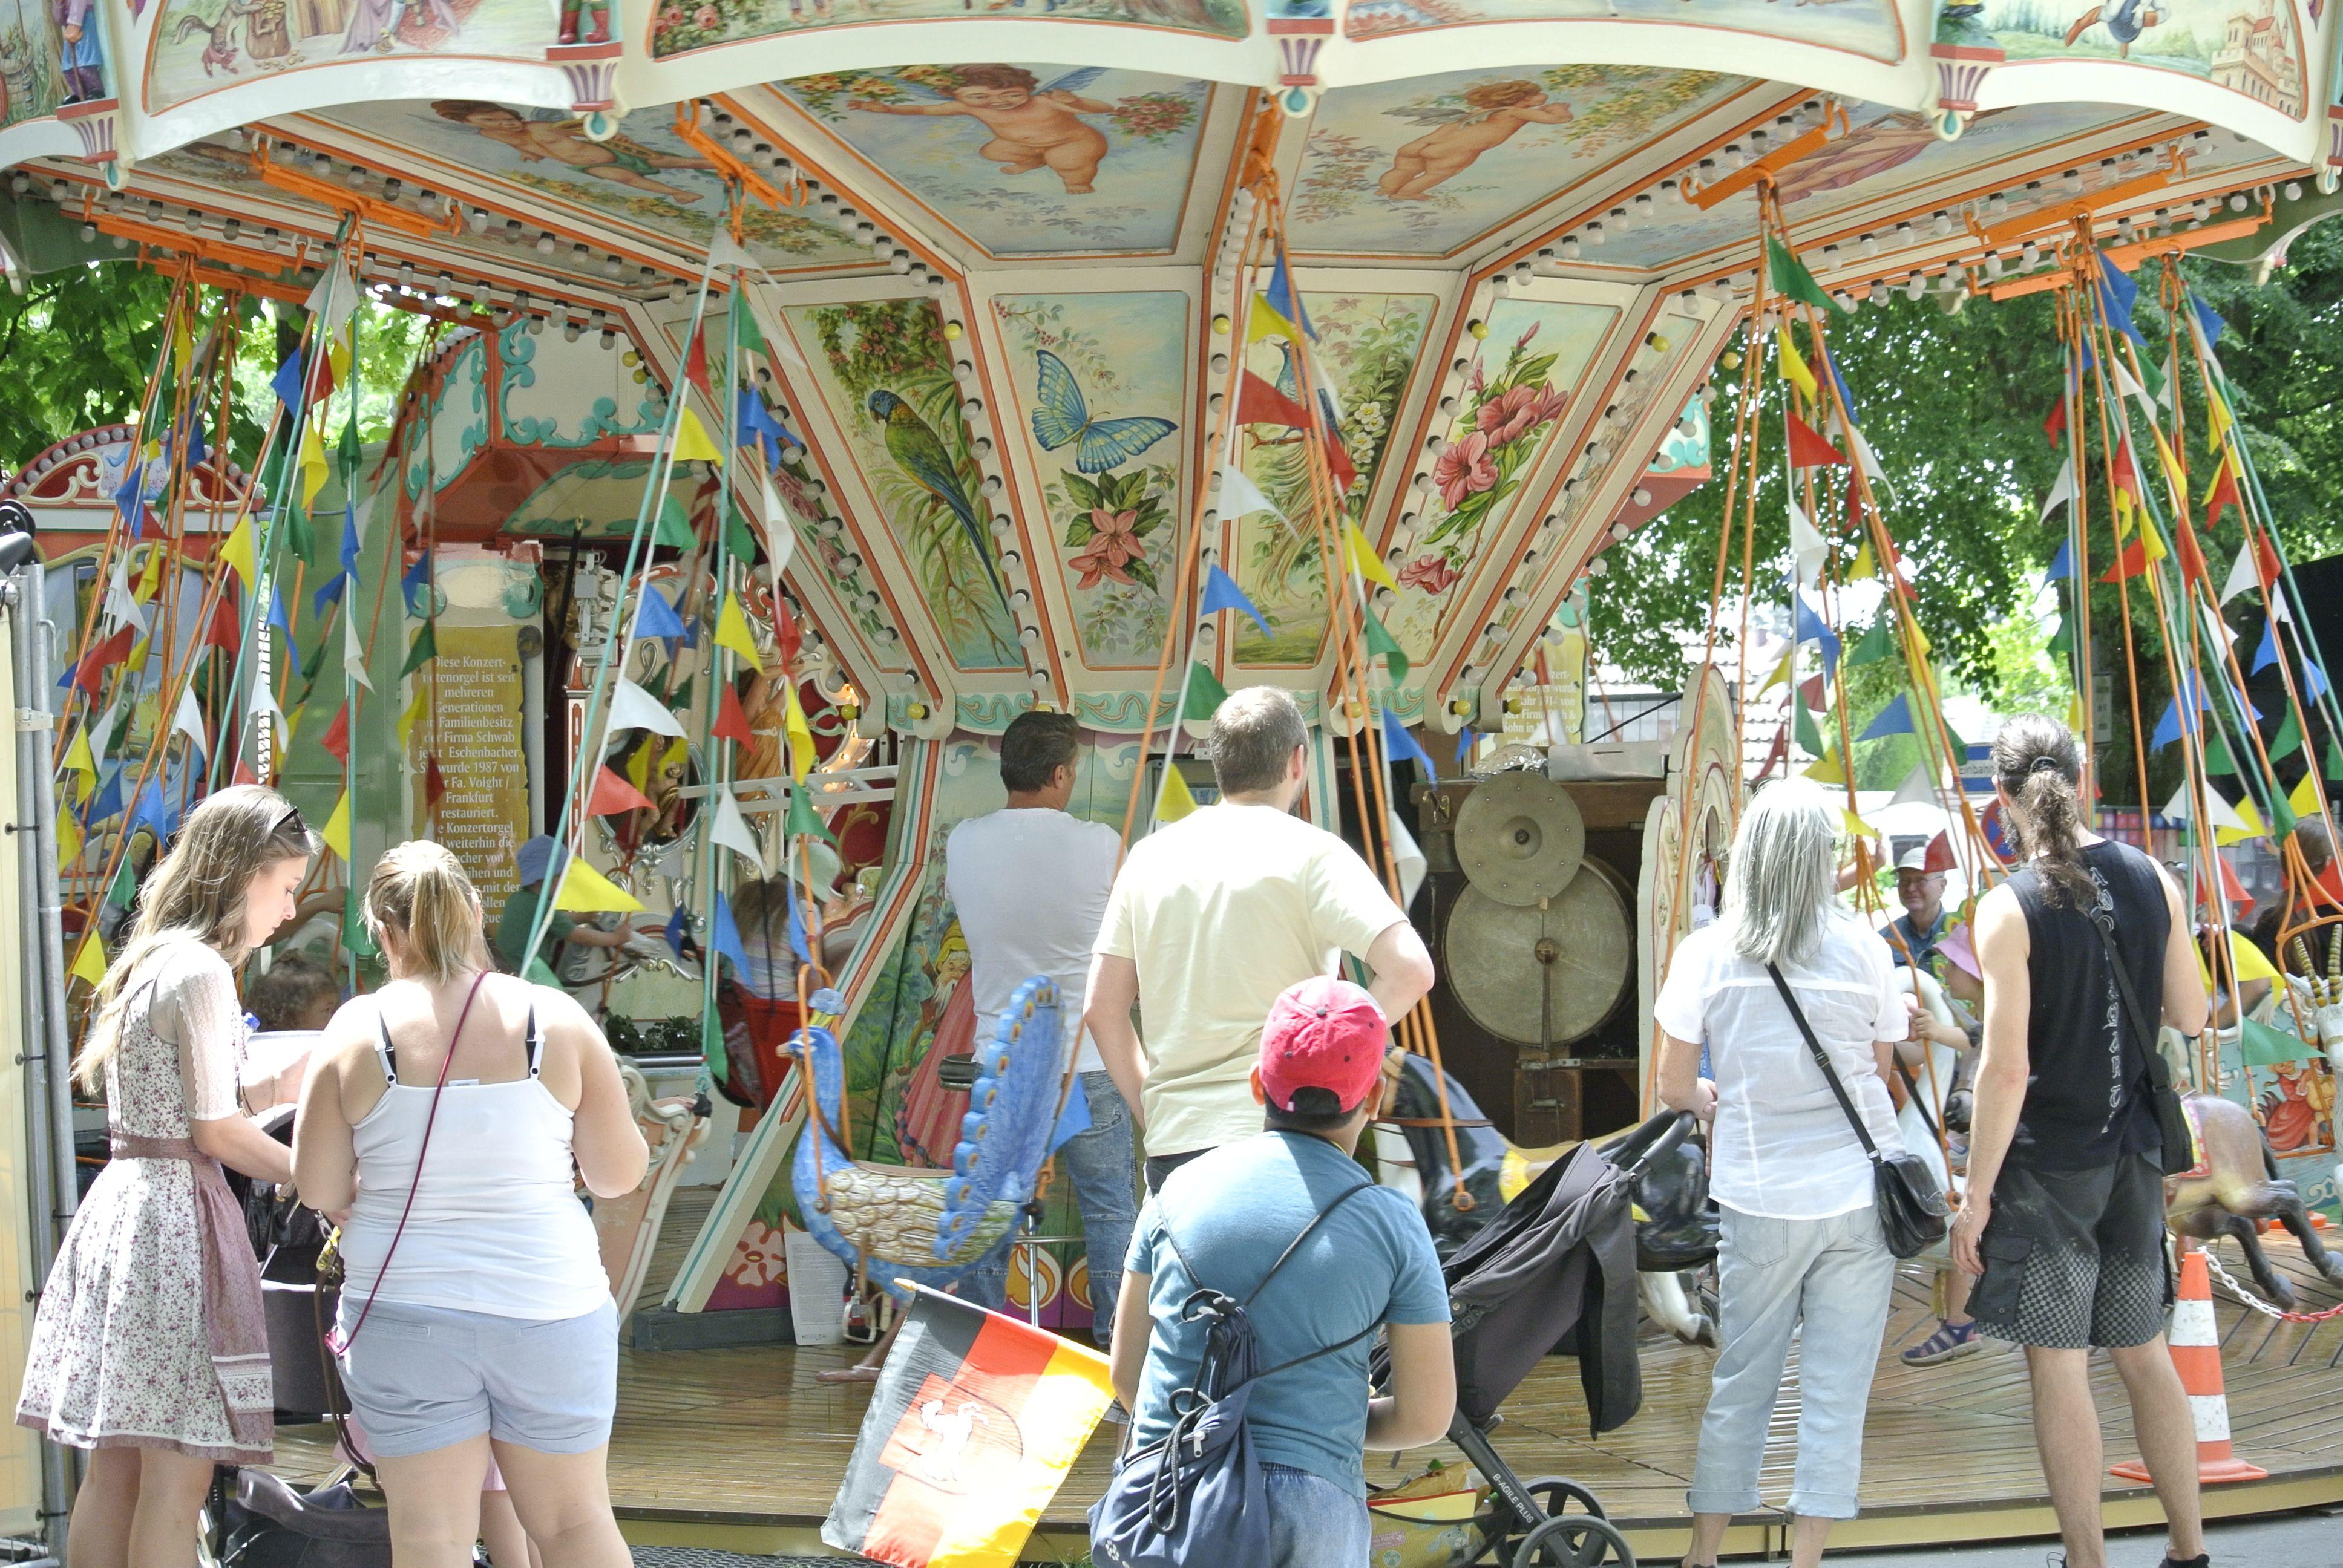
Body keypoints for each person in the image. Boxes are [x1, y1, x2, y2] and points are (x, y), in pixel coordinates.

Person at [295, 840, 649, 1568]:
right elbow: (617, 1175)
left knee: (429, 1539)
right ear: (476, 915)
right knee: (576, 1524)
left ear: (384, 934)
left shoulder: (356, 1031)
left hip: (402, 1312)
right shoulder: (556, 1021)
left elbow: (319, 1190)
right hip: (550, 1307)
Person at [16, 785, 315, 1568]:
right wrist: (319, 1176)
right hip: (177, 1230)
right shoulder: (204, 973)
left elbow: (180, 1108)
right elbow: (215, 1132)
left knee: (114, 1475)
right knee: (175, 1487)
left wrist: (269, 1091)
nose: (287, 910)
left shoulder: (155, 957)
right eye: (284, 888)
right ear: (244, 873)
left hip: (126, 1213)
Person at [1955, 716, 2210, 1568]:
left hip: (2047, 1168)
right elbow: (2195, 1014)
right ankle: (2188, 1548)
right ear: (2083, 776)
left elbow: (2004, 1070)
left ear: (2002, 797)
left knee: (2059, 1366)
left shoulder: (2006, 908)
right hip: (2132, 1153)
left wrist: (1976, 1195)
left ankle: (2088, 1561)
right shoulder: (2153, 880)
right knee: (2144, 1355)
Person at [1108, 976, 1455, 1565]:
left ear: (1255, 1085)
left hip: (1168, 1498)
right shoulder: (1392, 1225)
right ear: (1371, 1100)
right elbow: (1425, 1416)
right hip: (1307, 1507)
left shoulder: (1172, 1194)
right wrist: (1327, 1427)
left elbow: (1126, 1376)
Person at [1656, 777, 1906, 1568]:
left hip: (1760, 1198)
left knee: (1743, 1382)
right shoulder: (1867, 948)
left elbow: (1671, 1088)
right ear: (1823, 860)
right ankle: (1806, 1562)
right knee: (1835, 1393)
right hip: (1859, 1203)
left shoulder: (1706, 953)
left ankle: (1703, 1557)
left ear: (1752, 859)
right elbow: (1882, 1076)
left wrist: (1712, 1097)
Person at [1086, 685, 1436, 1191]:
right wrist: (1335, 1051)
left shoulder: (1149, 857)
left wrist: (1155, 1108)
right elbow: (1410, 970)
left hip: (1176, 1145)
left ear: (1219, 763)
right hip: (1287, 1141)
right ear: (1298, 762)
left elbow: (1101, 1008)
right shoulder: (1316, 854)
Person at [945, 710, 1132, 1344]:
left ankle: (976, 1345)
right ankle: (1117, 1347)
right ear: (1059, 773)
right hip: (1084, 1062)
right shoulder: (1101, 845)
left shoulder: (963, 841)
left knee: (990, 1211)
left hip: (1003, 1063)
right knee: (1109, 1207)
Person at [1898, 926, 1984, 1367]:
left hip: (2002, 1138)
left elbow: (1976, 1040)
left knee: (1960, 1215)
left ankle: (1962, 1320)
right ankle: (1958, 1321)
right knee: (1950, 1211)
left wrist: (1935, 1030)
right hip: (1978, 1134)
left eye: (1954, 964)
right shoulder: (1972, 1007)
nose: (1946, 970)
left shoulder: (1998, 1013)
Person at [492, 835, 638, 979]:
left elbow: (554, 920)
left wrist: (583, 917)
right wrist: (615, 938)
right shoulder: (542, 907)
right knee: (561, 999)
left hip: (507, 968)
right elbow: (579, 936)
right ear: (545, 878)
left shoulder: (519, 899)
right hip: (529, 974)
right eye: (560, 876)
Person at [1880, 844, 1951, 973]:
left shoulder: (1960, 935)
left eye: (1921, 881)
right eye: (1904, 881)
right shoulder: (1884, 939)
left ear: (1942, 886)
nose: (1911, 888)